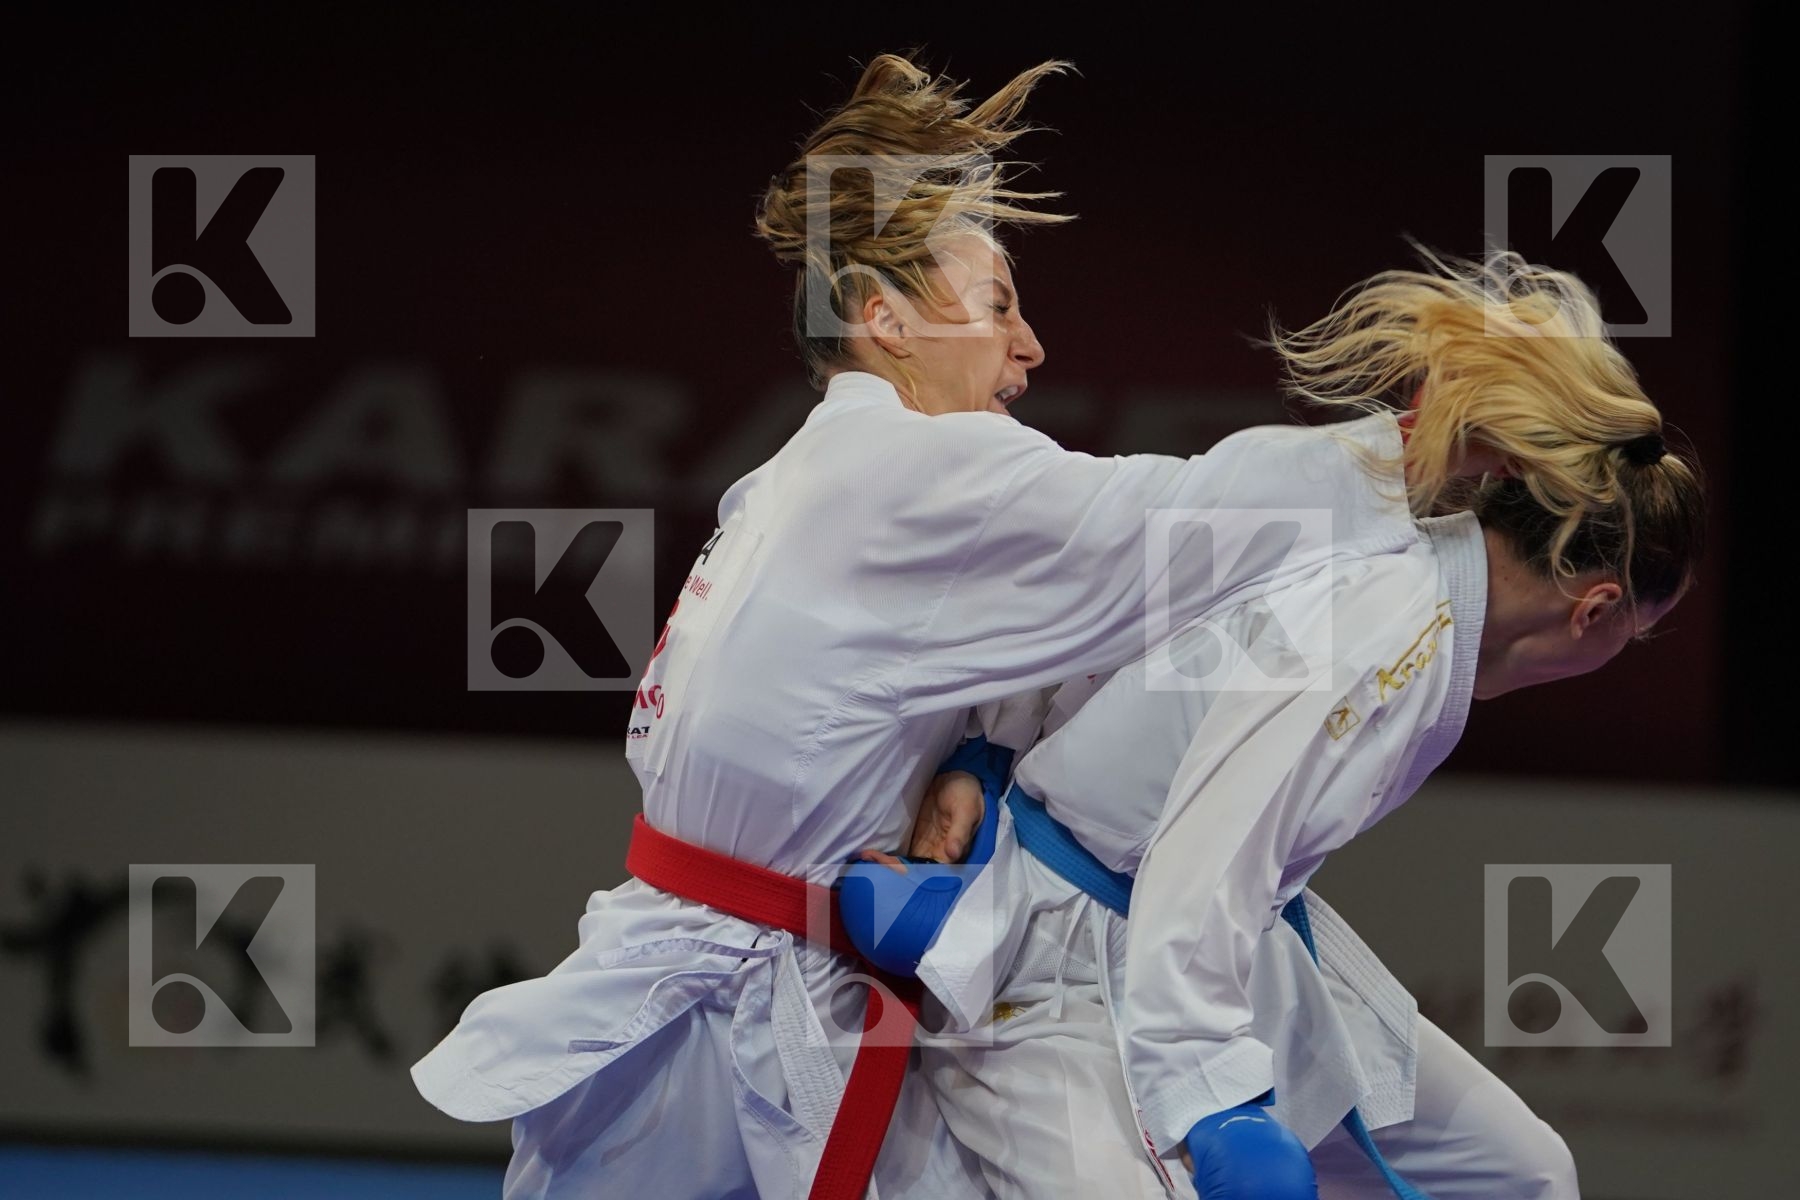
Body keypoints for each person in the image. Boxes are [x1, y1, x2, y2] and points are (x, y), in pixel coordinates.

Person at [409, 52, 1678, 1200]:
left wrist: (969, 762)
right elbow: (1184, 520)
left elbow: (1028, 648)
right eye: (997, 302)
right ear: (884, 319)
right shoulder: (906, 477)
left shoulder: (804, 480)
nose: (1028, 345)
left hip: (745, 967)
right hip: (744, 999)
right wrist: (1415, 440)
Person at [908, 275, 1706, 1198]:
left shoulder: (1380, 517)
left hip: (1225, 941)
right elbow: (1207, 852)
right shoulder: (1384, 637)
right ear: (1596, 610)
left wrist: (994, 743)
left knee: (1518, 1175)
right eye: (1637, 637)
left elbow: (1124, 613)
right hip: (1082, 957)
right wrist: (1213, 1098)